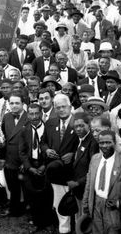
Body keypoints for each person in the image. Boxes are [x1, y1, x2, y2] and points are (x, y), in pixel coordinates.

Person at [41, 94, 79, 234]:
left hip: (73, 169)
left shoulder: (78, 122)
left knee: (73, 201)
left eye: (64, 107)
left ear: (70, 107)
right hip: (55, 169)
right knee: (58, 200)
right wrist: (47, 150)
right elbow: (43, 142)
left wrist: (74, 154)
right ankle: (64, 229)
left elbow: (87, 145)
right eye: (58, 108)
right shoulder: (51, 122)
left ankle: (76, 227)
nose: (61, 110)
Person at [82, 130, 121, 233]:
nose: (104, 146)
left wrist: (118, 203)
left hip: (112, 208)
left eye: (108, 142)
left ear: (114, 143)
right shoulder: (95, 159)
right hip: (95, 204)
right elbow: (89, 184)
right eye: (101, 143)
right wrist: (85, 204)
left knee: (112, 230)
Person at [19, 103, 54, 233]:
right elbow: (22, 151)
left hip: (44, 164)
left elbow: (52, 147)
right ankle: (36, 221)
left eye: (36, 113)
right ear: (27, 114)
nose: (34, 116)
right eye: (31, 113)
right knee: (32, 195)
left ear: (41, 113)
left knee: (46, 195)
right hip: (31, 164)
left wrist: (45, 165)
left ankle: (47, 222)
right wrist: (28, 167)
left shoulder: (48, 128)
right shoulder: (24, 129)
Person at [0, 91, 28, 217]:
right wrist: (2, 158)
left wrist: (26, 162)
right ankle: (14, 208)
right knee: (12, 186)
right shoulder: (6, 117)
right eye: (11, 103)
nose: (14, 106)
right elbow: (3, 139)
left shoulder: (29, 117)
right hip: (9, 158)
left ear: (23, 104)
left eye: (17, 103)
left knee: (25, 186)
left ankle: (26, 209)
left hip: (23, 159)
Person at [69, 112, 99, 216]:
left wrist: (78, 183)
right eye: (76, 126)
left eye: (81, 126)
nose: (78, 129)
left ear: (89, 125)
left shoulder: (92, 142)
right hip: (78, 188)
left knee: (85, 218)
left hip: (85, 188)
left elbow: (93, 169)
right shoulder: (77, 140)